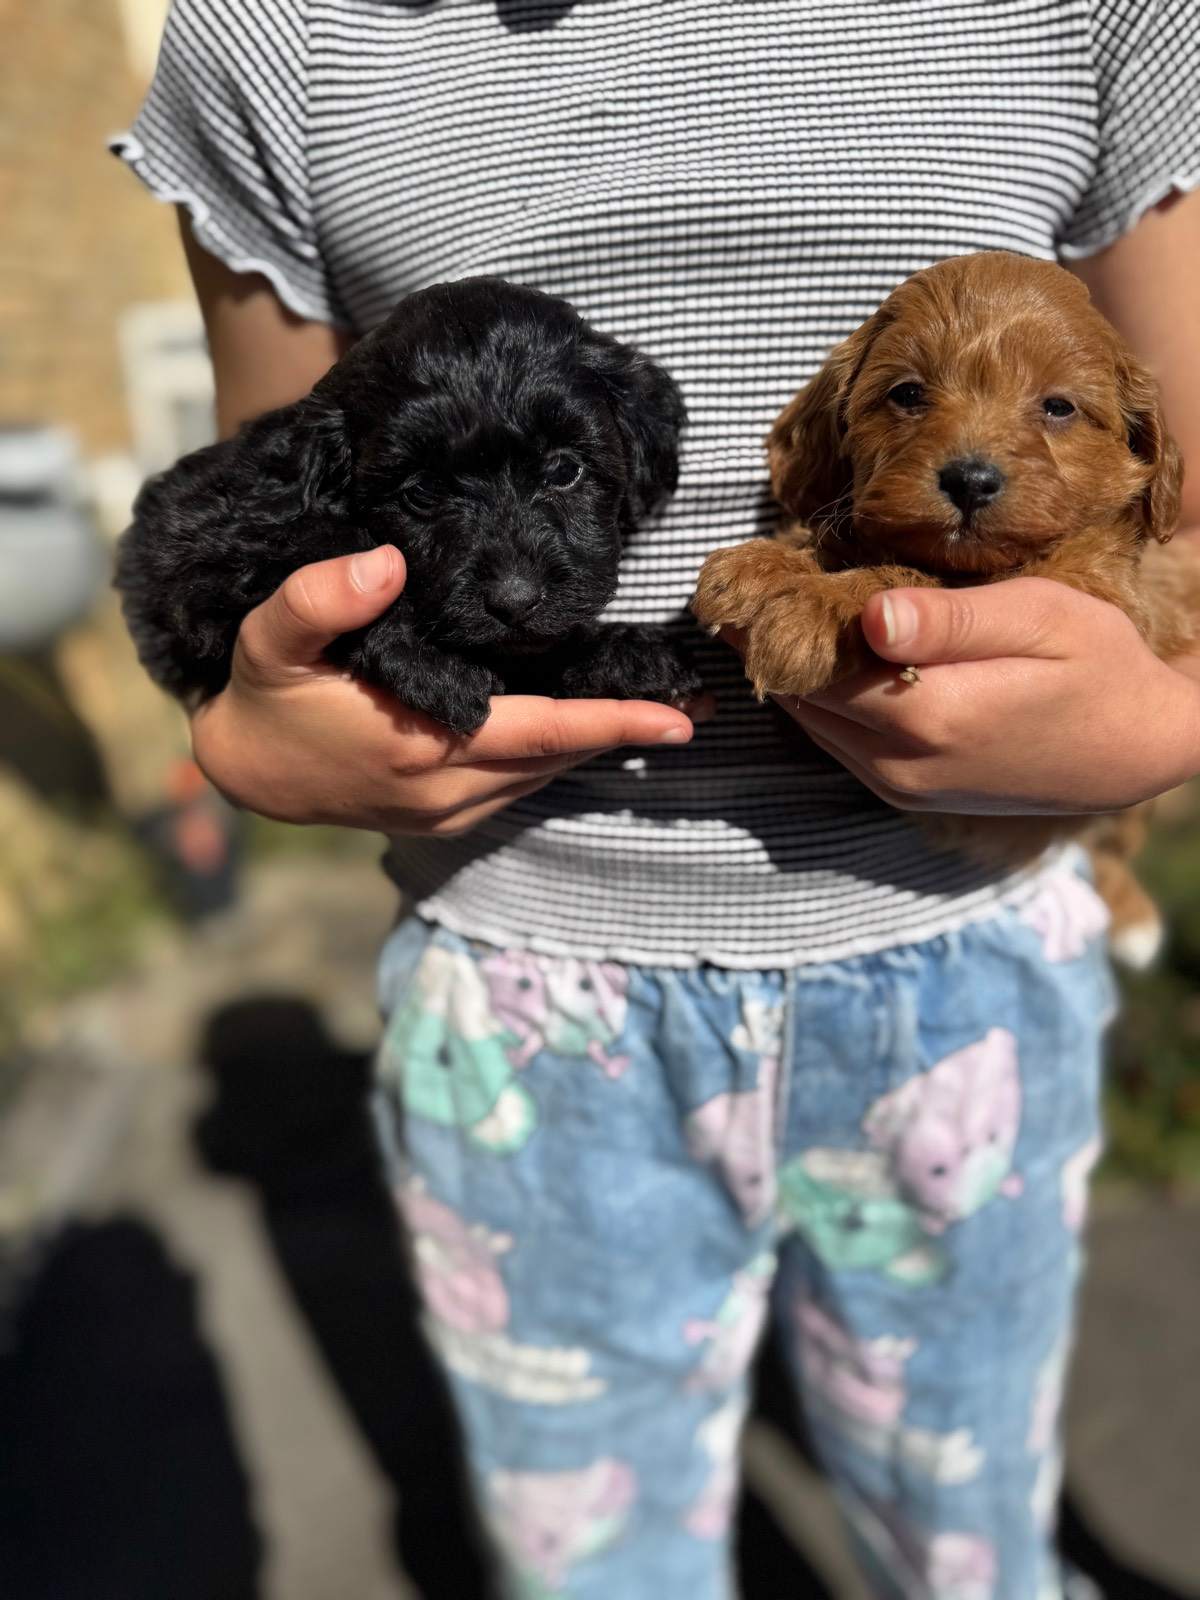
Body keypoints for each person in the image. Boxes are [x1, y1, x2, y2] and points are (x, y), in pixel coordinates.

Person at [113, 3, 1200, 1595]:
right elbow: (264, 513)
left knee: (968, 1542)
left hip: (968, 965)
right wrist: (246, 731)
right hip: (529, 999)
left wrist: (1164, 725)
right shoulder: (274, 39)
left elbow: (1183, 493)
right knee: (596, 1562)